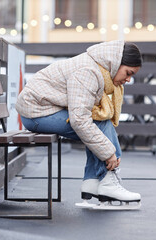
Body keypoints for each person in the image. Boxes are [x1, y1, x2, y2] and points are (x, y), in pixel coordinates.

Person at [16, 40, 142, 206]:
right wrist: (109, 153)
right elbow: (80, 120)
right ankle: (109, 180)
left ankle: (93, 182)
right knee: (98, 125)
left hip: (44, 108)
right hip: (36, 113)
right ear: (116, 62)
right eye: (128, 73)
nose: (128, 79)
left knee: (98, 124)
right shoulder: (88, 72)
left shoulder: (98, 69)